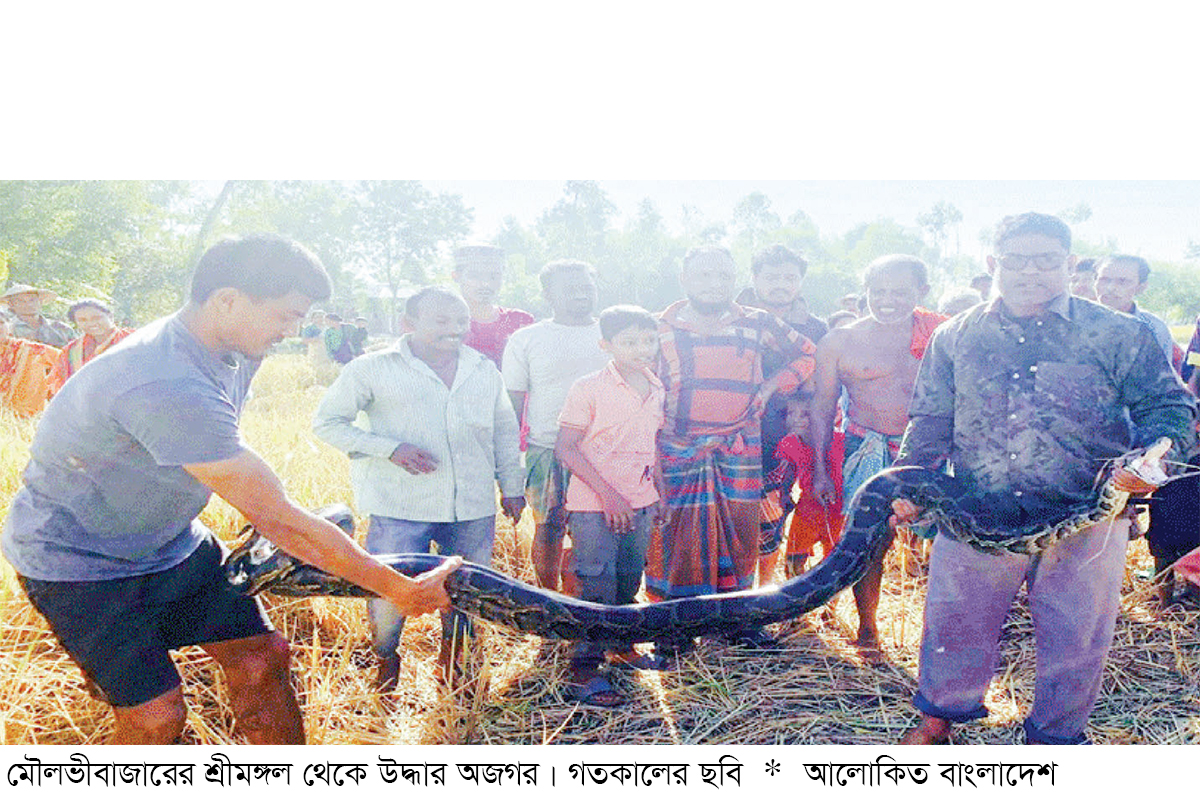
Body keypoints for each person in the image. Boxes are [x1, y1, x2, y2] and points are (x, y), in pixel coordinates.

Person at [1, 234, 460, 744]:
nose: (293, 330)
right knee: (155, 716)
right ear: (227, 300)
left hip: (173, 544)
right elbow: (279, 519)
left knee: (263, 661)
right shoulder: (162, 379)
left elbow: (225, 455)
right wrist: (396, 587)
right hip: (80, 562)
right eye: (285, 316)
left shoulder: (235, 346)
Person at [896, 212, 1196, 745]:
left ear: (1070, 263)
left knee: (1077, 634)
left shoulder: (1118, 333)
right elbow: (930, 420)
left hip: (1087, 513)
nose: (1030, 271)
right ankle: (939, 718)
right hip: (975, 509)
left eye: (1046, 261)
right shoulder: (955, 335)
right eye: (1016, 260)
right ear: (993, 264)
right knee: (954, 622)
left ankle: (1056, 739)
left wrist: (1154, 459)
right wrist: (909, 485)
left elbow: (1169, 406)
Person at [313, 286, 525, 692]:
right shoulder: (371, 368)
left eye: (461, 321)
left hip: (472, 506)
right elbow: (328, 423)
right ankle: (386, 661)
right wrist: (390, 449)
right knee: (388, 590)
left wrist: (511, 486)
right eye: (441, 321)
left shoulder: (483, 368)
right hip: (400, 504)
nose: (454, 330)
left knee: (470, 587)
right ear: (408, 324)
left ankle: (457, 665)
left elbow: (503, 430)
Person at [650, 245, 816, 649]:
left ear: (736, 281)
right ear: (685, 279)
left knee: (741, 534)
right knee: (675, 537)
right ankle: (673, 628)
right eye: (704, 275)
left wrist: (771, 385)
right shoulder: (658, 326)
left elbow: (810, 354)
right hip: (676, 448)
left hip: (739, 446)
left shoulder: (758, 323)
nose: (714, 284)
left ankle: (738, 623)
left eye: (723, 276)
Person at [811, 255, 946, 658]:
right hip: (865, 449)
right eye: (879, 291)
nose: (888, 301)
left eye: (900, 292)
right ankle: (868, 628)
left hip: (930, 450)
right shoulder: (839, 341)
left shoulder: (942, 335)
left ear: (921, 293)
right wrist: (820, 469)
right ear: (864, 291)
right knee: (870, 542)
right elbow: (822, 407)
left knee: (949, 544)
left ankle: (941, 636)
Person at [554, 305, 667, 705]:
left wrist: (657, 494)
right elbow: (566, 448)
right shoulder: (588, 387)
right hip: (594, 503)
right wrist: (608, 494)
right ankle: (585, 667)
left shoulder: (656, 387)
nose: (642, 349)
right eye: (629, 342)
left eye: (648, 340)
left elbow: (650, 448)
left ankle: (621, 646)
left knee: (629, 575)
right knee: (595, 579)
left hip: (640, 500)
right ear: (606, 345)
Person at [502, 260, 609, 591]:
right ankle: (549, 601)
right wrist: (508, 472)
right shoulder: (526, 339)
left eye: (587, 287)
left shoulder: (615, 334)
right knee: (549, 529)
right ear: (548, 294)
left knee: (596, 531)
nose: (581, 295)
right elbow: (511, 408)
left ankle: (584, 604)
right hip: (547, 450)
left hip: (605, 453)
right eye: (570, 289)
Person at [734, 244, 828, 583]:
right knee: (727, 514)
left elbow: (820, 381)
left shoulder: (815, 329)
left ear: (801, 282)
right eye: (771, 277)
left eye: (790, 278)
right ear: (754, 279)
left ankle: (762, 593)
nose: (781, 284)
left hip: (781, 434)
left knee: (772, 511)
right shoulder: (731, 317)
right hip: (729, 431)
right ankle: (726, 595)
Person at [769, 390, 844, 578]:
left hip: (838, 512)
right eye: (791, 413)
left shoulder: (840, 442)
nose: (795, 419)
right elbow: (790, 470)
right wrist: (785, 493)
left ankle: (830, 607)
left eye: (805, 414)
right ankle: (799, 603)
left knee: (835, 564)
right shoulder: (790, 443)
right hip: (807, 509)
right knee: (793, 562)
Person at [452, 244, 534, 365]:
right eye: (475, 276)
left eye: (494, 276)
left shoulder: (521, 321)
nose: (485, 284)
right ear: (456, 276)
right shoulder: (442, 323)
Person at [1094, 254, 1175, 364]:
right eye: (1104, 280)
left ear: (1141, 287)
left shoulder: (1154, 329)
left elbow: (1162, 377)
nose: (1110, 288)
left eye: (1122, 281)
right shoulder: (1074, 320)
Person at [47, 298, 136, 395]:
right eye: (82, 320)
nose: (91, 323)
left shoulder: (134, 339)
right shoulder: (71, 351)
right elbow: (58, 386)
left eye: (97, 318)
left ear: (110, 317)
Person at [0, 312, 60, 417]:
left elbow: (70, 363)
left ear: (9, 326)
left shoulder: (32, 350)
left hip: (27, 422)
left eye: (1, 322)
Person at [1, 283, 74, 347]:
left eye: (32, 300)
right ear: (11, 305)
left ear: (40, 301)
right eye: (21, 301)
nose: (28, 304)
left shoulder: (61, 328)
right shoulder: (6, 329)